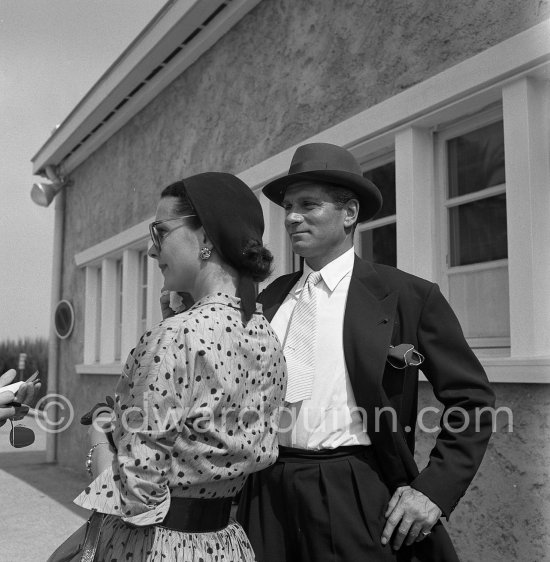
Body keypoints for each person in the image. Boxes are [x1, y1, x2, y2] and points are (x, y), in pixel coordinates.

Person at [237, 143, 496, 561]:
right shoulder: (269, 299)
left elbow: (473, 401)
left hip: (355, 488)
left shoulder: (408, 296)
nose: (291, 217)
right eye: (287, 206)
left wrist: (433, 489)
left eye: (308, 204)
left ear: (349, 213)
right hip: (266, 492)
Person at [73, 172, 286, 561]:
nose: (152, 251)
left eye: (160, 233)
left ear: (205, 238)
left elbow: (137, 495)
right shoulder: (265, 334)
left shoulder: (176, 337)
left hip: (157, 548)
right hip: (227, 545)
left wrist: (100, 435)